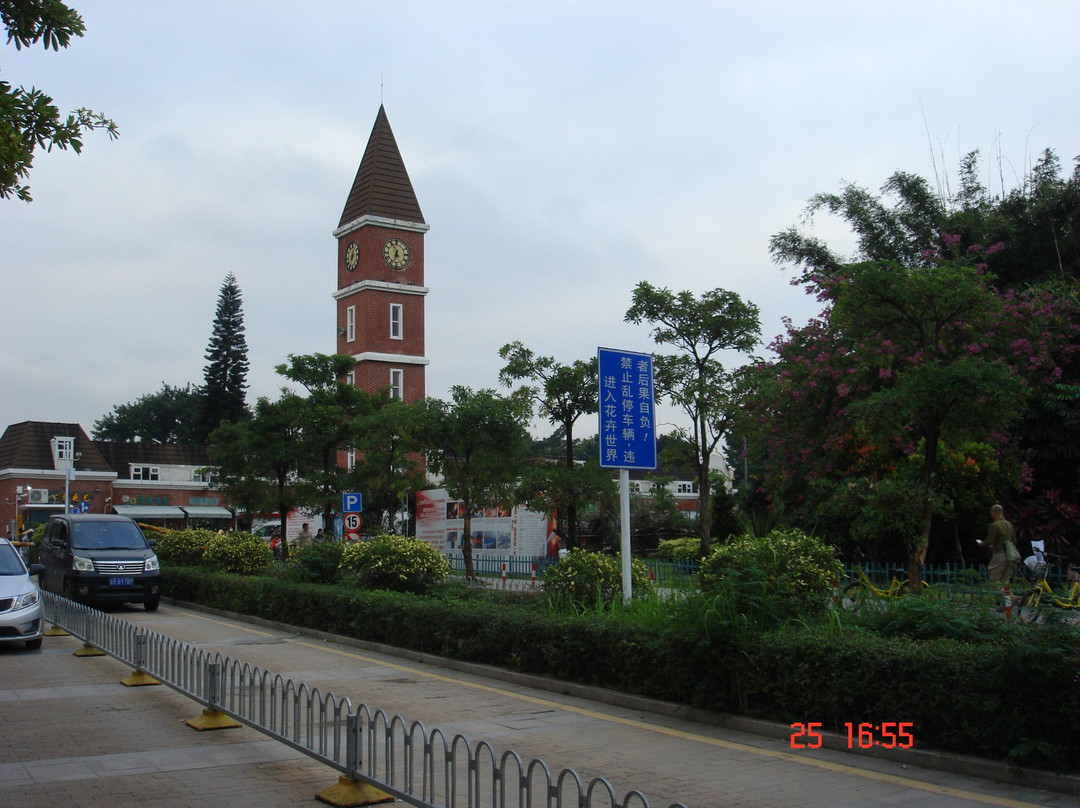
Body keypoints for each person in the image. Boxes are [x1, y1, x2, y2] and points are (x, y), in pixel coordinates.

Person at [978, 504, 1015, 585]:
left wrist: (982, 544)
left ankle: (1002, 595)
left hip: (999, 553)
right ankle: (1007, 597)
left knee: (994, 579)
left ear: (994, 512)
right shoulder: (1009, 525)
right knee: (1005, 581)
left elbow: (990, 540)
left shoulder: (995, 525)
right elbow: (1014, 540)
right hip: (1010, 555)